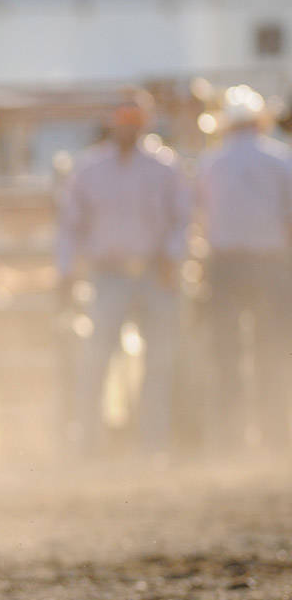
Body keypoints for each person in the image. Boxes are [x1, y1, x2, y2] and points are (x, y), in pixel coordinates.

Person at [56, 93, 190, 458]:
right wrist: (67, 271)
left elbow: (182, 220)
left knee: (158, 362)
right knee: (96, 359)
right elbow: (70, 226)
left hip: (152, 271)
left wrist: (172, 257)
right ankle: (89, 445)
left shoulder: (165, 167)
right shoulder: (90, 169)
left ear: (145, 122)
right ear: (112, 121)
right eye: (123, 118)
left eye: (135, 118)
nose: (128, 126)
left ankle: (152, 446)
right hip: (108, 274)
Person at [195, 86, 292, 456]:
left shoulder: (210, 163)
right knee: (271, 350)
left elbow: (199, 218)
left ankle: (229, 440)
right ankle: (275, 437)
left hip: (225, 265)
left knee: (227, 353)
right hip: (269, 263)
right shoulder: (281, 159)